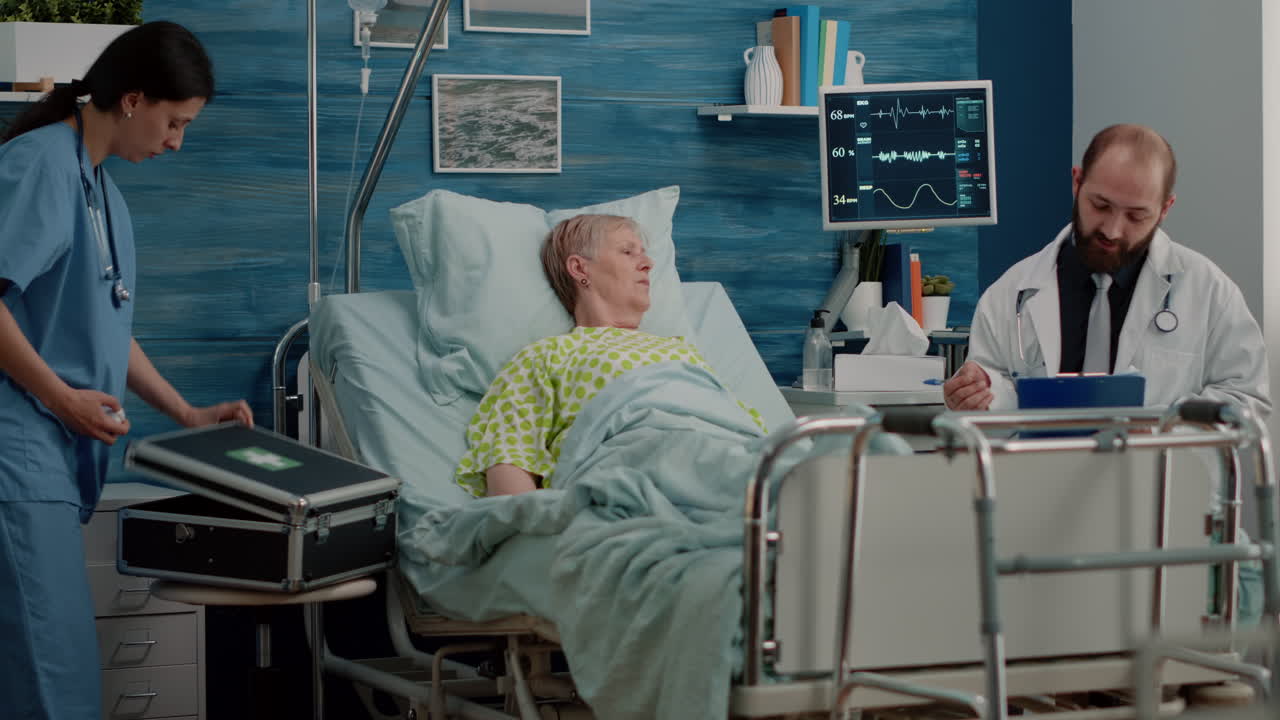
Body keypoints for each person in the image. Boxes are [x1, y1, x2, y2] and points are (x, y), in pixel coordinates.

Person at [0, 22, 253, 720]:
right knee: (57, 679)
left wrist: (188, 415)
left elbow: (108, 325)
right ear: (134, 100)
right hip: (16, 447)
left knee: (51, 668)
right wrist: (61, 400)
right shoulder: (41, 166)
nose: (177, 142)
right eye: (175, 123)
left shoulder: (103, 194)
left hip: (49, 451)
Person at [944, 123, 1270, 420]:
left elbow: (1246, 398)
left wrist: (1166, 428)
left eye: (1136, 216)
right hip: (1041, 477)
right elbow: (993, 396)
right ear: (1077, 182)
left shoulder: (1210, 292)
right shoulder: (1010, 294)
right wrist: (977, 395)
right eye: (1101, 206)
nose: (1112, 230)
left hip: (1163, 478)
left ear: (1165, 209)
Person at [454, 213, 767, 497]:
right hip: (631, 479)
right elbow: (509, 461)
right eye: (628, 251)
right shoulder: (546, 355)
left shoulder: (681, 351)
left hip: (733, 468)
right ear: (579, 268)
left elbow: (739, 426)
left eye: (643, 254)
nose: (647, 264)